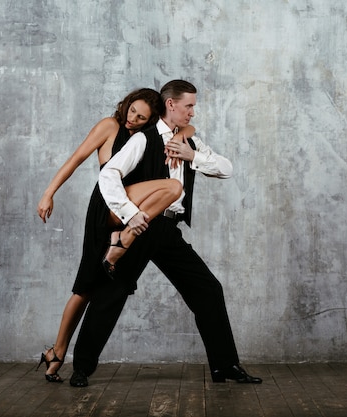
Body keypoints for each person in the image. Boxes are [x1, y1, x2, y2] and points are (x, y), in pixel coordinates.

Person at [68, 80, 262, 387]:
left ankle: (224, 366)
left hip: (168, 229)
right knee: (111, 293)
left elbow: (227, 169)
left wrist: (191, 156)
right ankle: (81, 368)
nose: (192, 113)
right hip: (142, 225)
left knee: (208, 289)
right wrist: (131, 216)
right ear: (171, 104)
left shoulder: (187, 142)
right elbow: (109, 174)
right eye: (189, 106)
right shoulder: (144, 139)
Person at [36, 88, 195, 382]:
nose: (133, 119)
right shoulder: (109, 126)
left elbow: (186, 125)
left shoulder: (146, 135)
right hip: (107, 208)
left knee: (100, 285)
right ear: (126, 104)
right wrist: (49, 194)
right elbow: (75, 159)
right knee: (85, 286)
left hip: (130, 210)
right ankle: (58, 350)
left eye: (142, 117)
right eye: (132, 111)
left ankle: (58, 356)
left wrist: (181, 135)